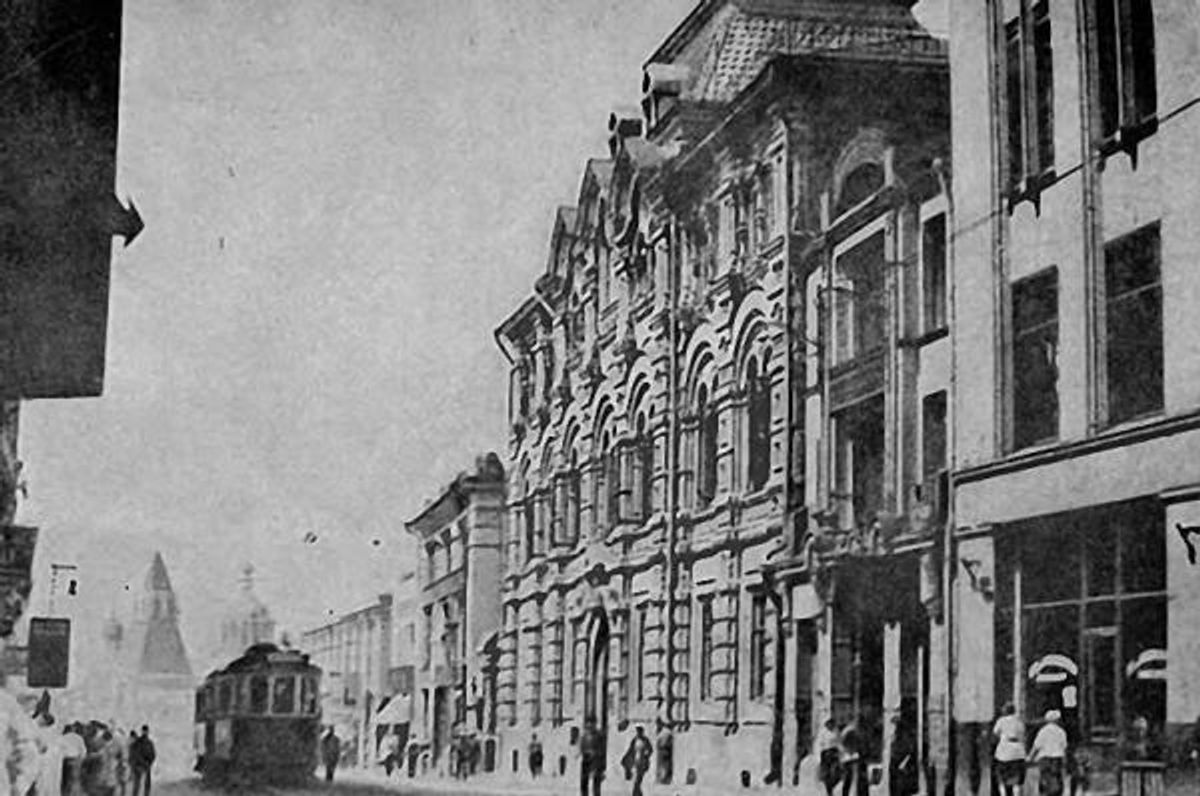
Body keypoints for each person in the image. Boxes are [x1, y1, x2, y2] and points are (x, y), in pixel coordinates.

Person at [1029, 710, 1068, 796]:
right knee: (1056, 778)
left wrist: (1030, 757)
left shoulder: (1043, 731)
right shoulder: (1061, 731)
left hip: (1044, 758)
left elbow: (1036, 746)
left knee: (1045, 779)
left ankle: (1045, 793)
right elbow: (1064, 747)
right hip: (1057, 758)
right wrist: (1065, 761)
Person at [992, 702, 1027, 796]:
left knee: (1002, 779)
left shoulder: (1001, 721)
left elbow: (995, 733)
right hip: (1017, 751)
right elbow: (1022, 734)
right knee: (1016, 780)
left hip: (1004, 752)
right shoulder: (1019, 721)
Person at [33, 713, 63, 796]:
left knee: (44, 786)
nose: (37, 718)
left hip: (45, 765)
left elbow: (42, 748)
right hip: (47, 764)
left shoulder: (44, 732)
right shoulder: (51, 733)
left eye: (39, 717)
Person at [889, 715, 918, 796]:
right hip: (896, 765)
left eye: (894, 724)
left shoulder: (903, 737)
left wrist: (904, 763)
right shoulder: (895, 736)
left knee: (900, 788)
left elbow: (909, 751)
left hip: (900, 766)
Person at [840, 717, 868, 796]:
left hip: (853, 756)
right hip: (852, 756)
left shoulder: (850, 731)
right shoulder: (852, 731)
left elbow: (844, 742)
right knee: (851, 777)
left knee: (851, 778)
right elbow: (844, 742)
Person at [816, 718, 842, 796]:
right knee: (827, 774)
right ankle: (829, 790)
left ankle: (832, 786)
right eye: (830, 725)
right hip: (826, 753)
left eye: (832, 725)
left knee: (836, 772)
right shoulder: (823, 733)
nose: (831, 727)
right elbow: (819, 744)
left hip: (834, 753)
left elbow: (839, 742)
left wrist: (839, 753)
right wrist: (819, 757)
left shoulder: (836, 732)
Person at [623, 726, 652, 796]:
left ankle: (635, 794)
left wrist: (647, 754)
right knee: (636, 781)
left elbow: (650, 750)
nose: (638, 733)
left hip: (643, 763)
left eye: (639, 731)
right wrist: (626, 758)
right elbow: (630, 750)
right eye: (637, 731)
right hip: (635, 763)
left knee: (638, 781)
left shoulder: (646, 740)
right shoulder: (635, 740)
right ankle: (638, 794)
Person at [580, 717, 605, 796]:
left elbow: (602, 748)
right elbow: (582, 746)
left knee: (596, 781)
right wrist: (584, 752)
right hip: (586, 759)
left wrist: (596, 753)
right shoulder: (584, 735)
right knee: (584, 781)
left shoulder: (598, 735)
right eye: (588, 723)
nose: (590, 725)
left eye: (591, 723)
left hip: (596, 759)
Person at [60, 724, 87, 796]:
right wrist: (80, 762)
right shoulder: (78, 737)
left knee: (64, 782)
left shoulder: (62, 737)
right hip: (75, 760)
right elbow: (83, 752)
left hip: (64, 761)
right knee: (73, 782)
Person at [128, 726, 155, 796]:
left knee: (146, 785)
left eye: (146, 731)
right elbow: (135, 754)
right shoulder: (137, 742)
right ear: (142, 731)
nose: (145, 732)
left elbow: (153, 755)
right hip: (139, 766)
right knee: (137, 785)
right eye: (144, 731)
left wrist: (149, 763)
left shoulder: (150, 743)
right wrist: (143, 763)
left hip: (147, 766)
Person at [654, 719, 673, 785]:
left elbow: (663, 743)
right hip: (663, 750)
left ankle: (663, 779)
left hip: (664, 750)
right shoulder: (665, 732)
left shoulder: (665, 732)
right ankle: (663, 779)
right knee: (663, 765)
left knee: (664, 765)